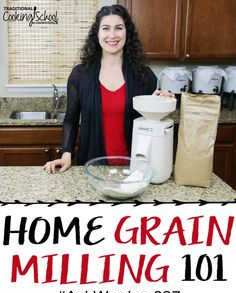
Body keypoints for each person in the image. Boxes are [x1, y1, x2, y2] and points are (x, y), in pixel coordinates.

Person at [43, 4, 174, 174]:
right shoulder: (80, 75)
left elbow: (151, 126)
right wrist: (66, 155)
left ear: (127, 33)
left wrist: (159, 105)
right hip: (92, 168)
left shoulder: (145, 76)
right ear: (97, 33)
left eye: (118, 28)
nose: (112, 35)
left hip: (134, 168)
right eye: (106, 28)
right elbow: (71, 120)